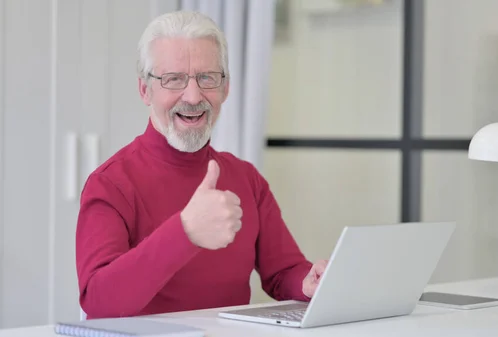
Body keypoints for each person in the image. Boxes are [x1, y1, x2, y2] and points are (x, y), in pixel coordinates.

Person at [75, 10, 328, 319]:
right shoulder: (110, 183)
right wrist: (185, 232)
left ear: (225, 88)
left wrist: (308, 282)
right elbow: (99, 302)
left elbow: (283, 271)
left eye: (207, 78)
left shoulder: (246, 178)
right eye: (173, 79)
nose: (193, 96)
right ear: (145, 90)